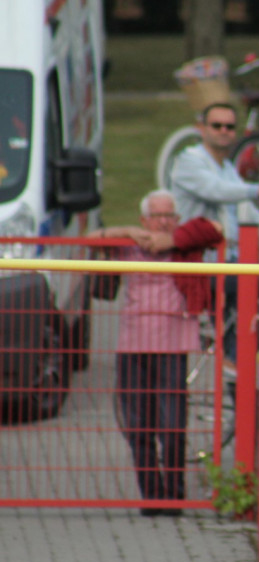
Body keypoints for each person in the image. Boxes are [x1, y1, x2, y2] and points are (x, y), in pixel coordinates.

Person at [88, 190, 224, 515]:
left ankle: (173, 497)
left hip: (173, 343)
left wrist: (173, 239)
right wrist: (126, 231)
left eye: (170, 215)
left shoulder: (185, 242)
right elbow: (89, 238)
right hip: (133, 343)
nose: (163, 221)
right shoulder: (129, 244)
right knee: (138, 425)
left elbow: (217, 229)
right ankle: (151, 496)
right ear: (144, 219)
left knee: (173, 424)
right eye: (157, 216)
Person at [169, 102, 259, 363]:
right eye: (217, 125)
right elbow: (214, 190)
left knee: (241, 336)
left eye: (229, 126)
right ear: (201, 128)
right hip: (200, 266)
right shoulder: (189, 161)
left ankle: (242, 379)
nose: (224, 131)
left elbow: (256, 220)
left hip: (229, 264)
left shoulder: (228, 169)